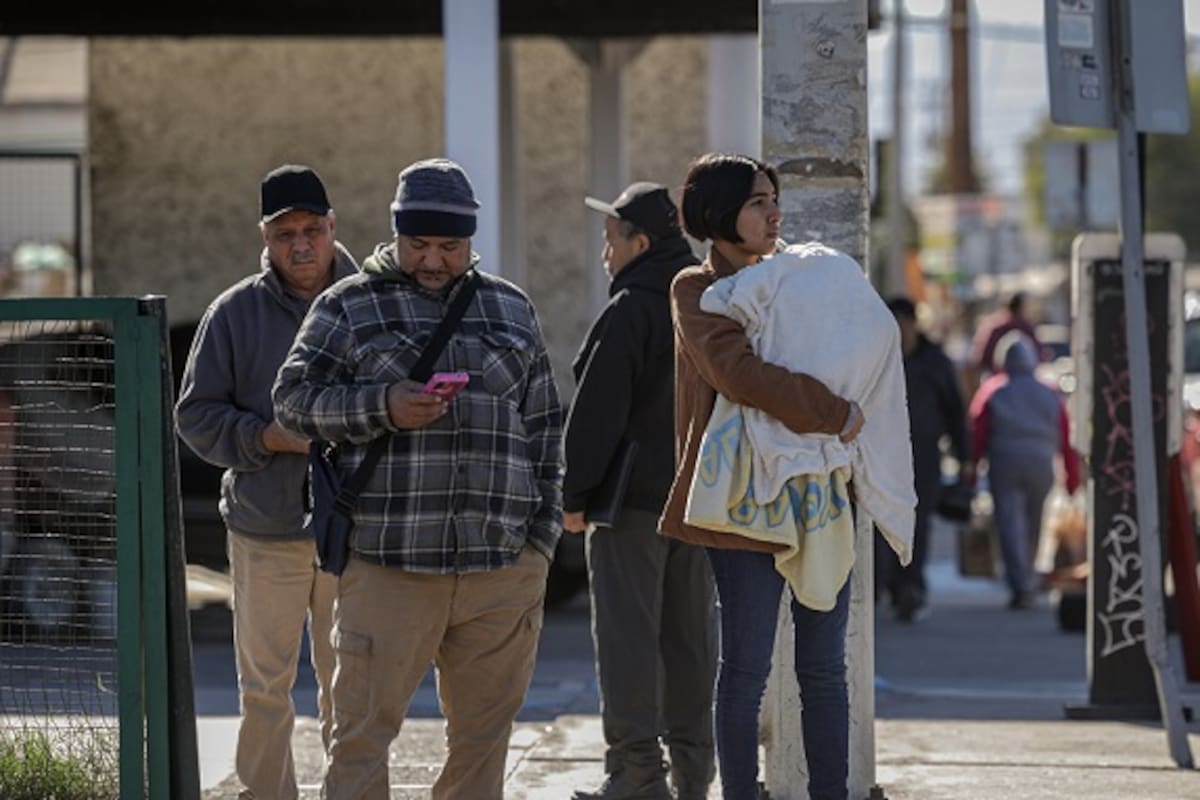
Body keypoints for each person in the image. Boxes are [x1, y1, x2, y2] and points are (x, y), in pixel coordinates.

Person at [272, 157, 563, 800]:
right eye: (419, 244)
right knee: (360, 742)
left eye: (450, 246)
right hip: (388, 566)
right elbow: (291, 401)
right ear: (395, 234)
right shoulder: (347, 305)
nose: (433, 260)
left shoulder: (511, 308)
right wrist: (383, 406)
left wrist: (538, 546)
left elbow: (545, 429)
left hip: (499, 571)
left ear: (470, 241)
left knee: (484, 746)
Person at [658, 152, 869, 800]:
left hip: (820, 493)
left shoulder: (796, 278)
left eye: (773, 199)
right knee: (746, 668)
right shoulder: (695, 290)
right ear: (719, 212)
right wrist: (834, 412)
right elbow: (738, 374)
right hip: (739, 499)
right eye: (756, 202)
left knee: (824, 670)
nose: (774, 212)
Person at [176, 164, 358, 800]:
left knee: (355, 689)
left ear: (333, 227)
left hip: (357, 531)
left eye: (312, 229)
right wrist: (267, 438)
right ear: (265, 237)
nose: (301, 244)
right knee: (264, 690)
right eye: (286, 234)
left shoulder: (374, 302)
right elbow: (194, 417)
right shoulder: (234, 313)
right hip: (264, 527)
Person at [563, 182, 716, 800]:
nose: (605, 253)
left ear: (641, 242)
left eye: (611, 239)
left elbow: (597, 412)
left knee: (629, 644)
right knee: (690, 645)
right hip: (699, 503)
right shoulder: (709, 300)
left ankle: (635, 778)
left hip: (632, 507)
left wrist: (574, 496)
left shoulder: (631, 308)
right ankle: (691, 780)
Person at [967, 331, 1080, 610]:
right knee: (1033, 522)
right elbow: (1065, 435)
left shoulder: (993, 390)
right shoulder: (1049, 393)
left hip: (1004, 462)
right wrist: (1071, 476)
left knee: (1008, 523)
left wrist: (971, 469)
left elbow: (978, 431)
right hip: (1041, 464)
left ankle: (1020, 582)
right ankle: (1027, 575)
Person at [878, 296, 968, 622]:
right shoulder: (877, 358)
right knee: (881, 522)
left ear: (914, 323)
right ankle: (887, 584)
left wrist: (964, 456)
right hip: (882, 455)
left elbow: (955, 411)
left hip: (924, 456)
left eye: (902, 323)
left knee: (917, 523)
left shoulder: (935, 362)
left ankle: (911, 589)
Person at [971, 291, 1044, 376]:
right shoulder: (1025, 327)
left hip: (999, 377)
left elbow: (980, 357)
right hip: (1016, 378)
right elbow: (1041, 354)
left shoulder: (995, 325)